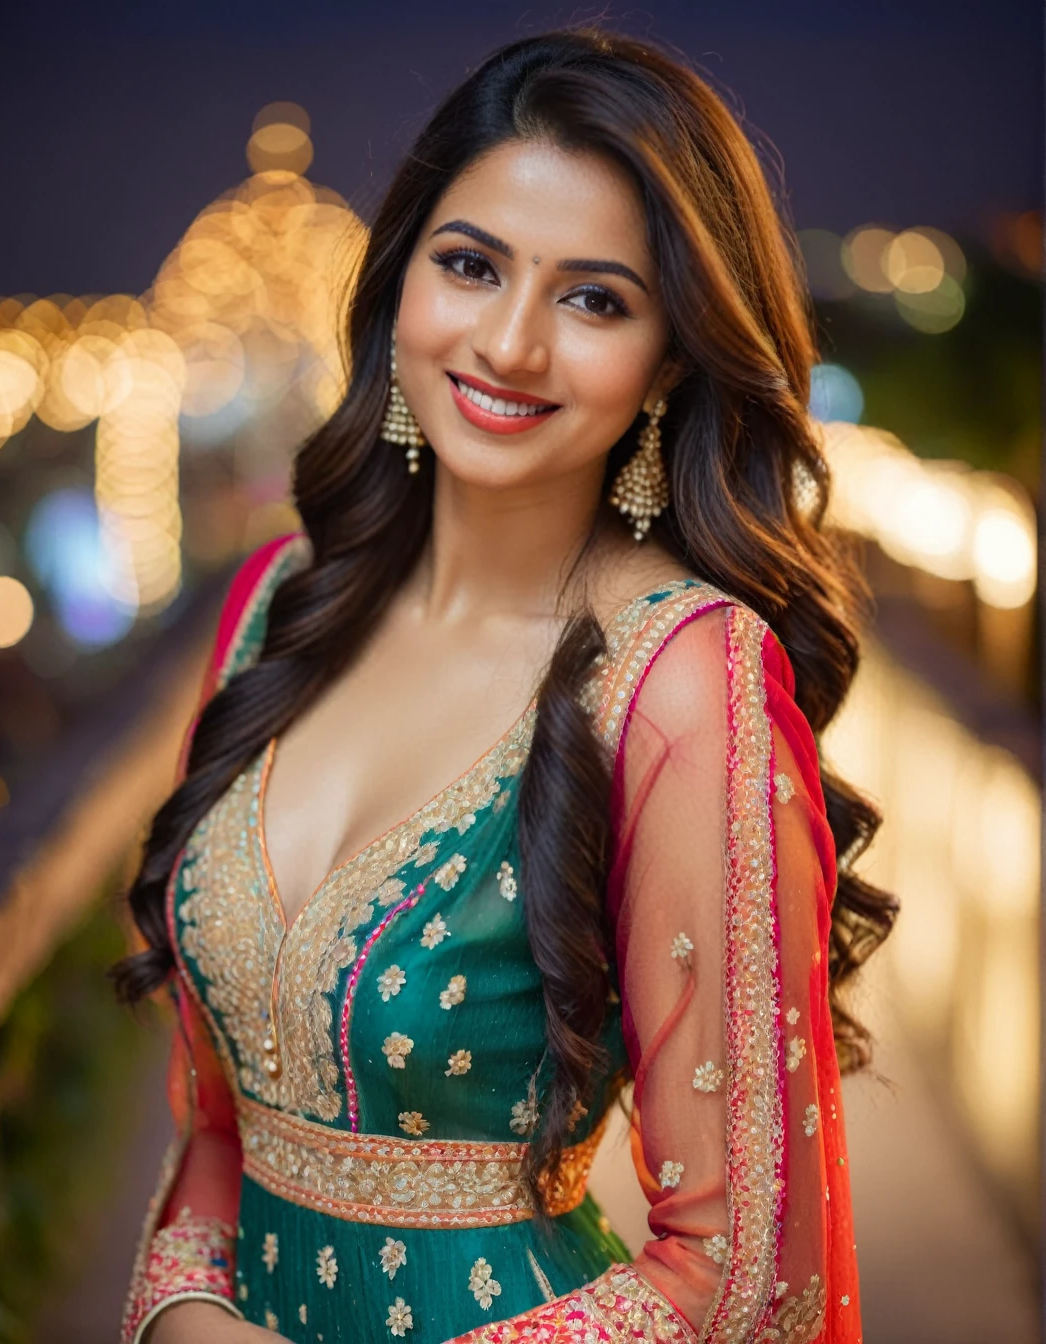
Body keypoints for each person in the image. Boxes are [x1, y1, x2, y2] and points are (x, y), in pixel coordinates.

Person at [114, 28, 896, 1344]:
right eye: (471, 266)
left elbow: (748, 1271)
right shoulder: (279, 614)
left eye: (595, 299)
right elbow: (214, 1129)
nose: (513, 342)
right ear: (402, 282)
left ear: (669, 362)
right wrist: (187, 1316)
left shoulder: (680, 681)